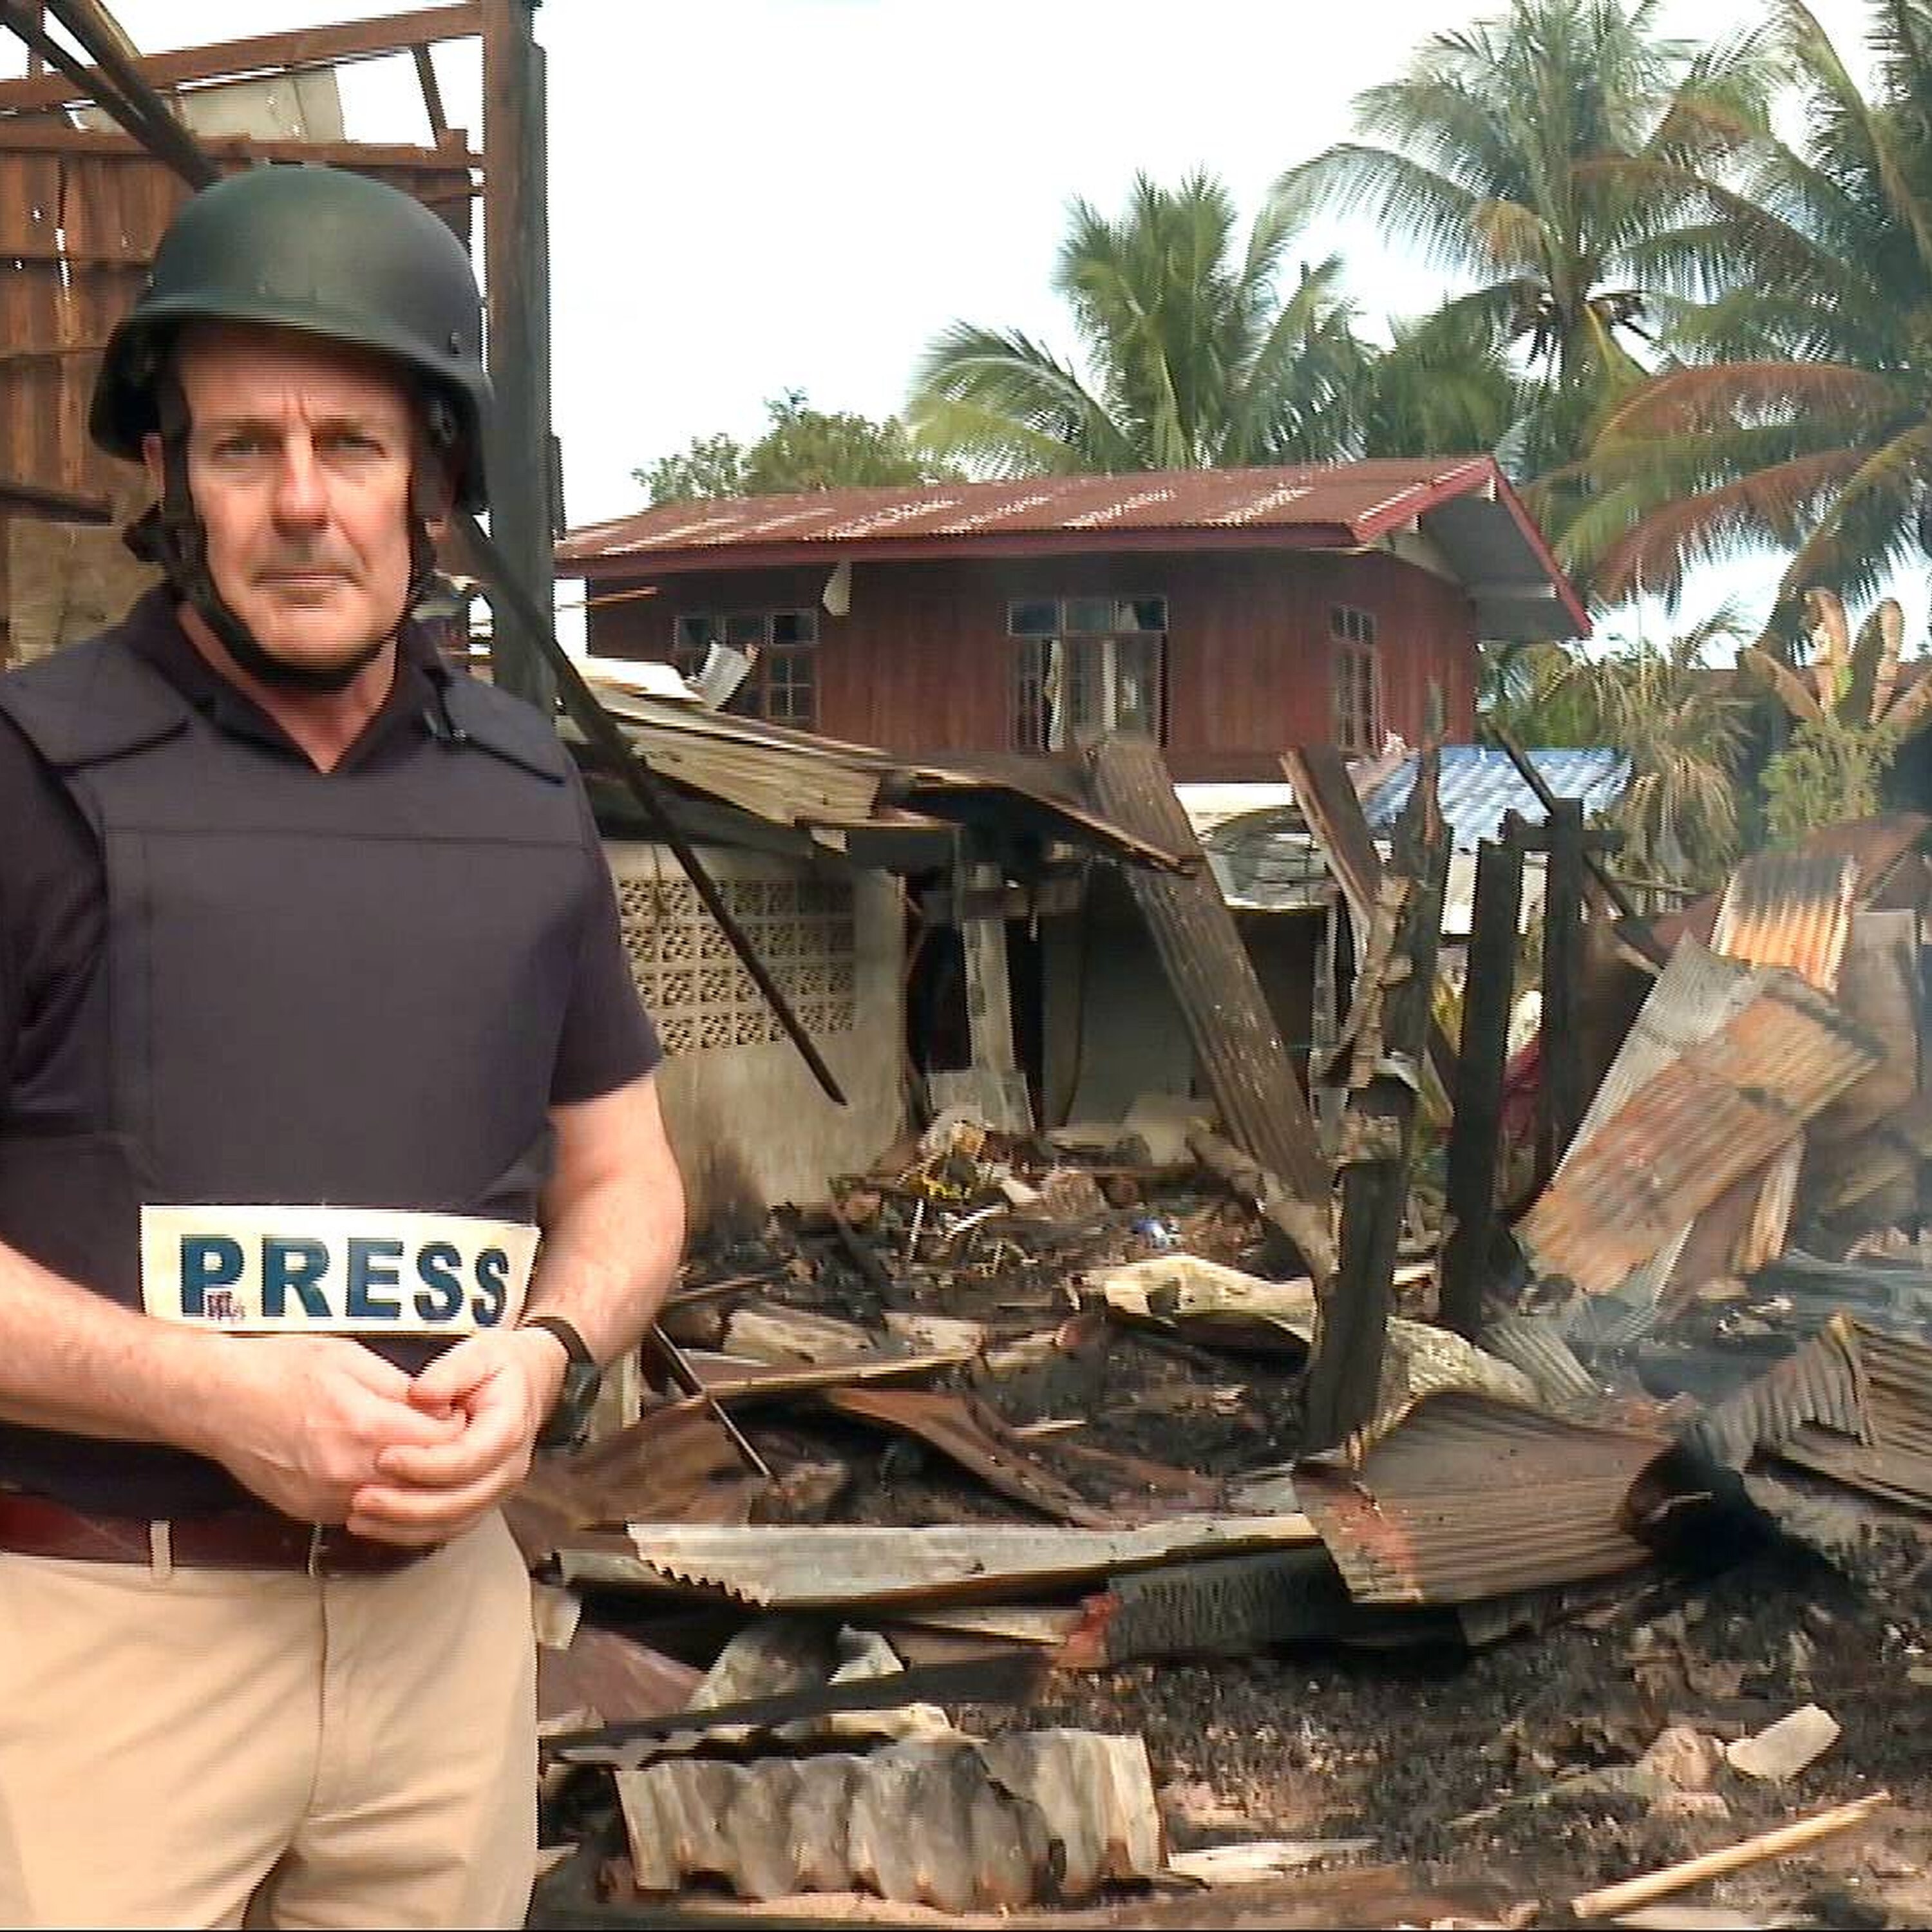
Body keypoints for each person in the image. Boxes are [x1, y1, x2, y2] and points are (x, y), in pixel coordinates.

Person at [0, 164, 685, 1929]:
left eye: (352, 447)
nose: (301, 503)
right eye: (243, 448)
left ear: (434, 480)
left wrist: (545, 1358)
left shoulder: (528, 797)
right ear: (172, 478)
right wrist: (214, 1395)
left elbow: (626, 1182)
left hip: (440, 1653)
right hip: (101, 1644)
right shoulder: (24, 776)